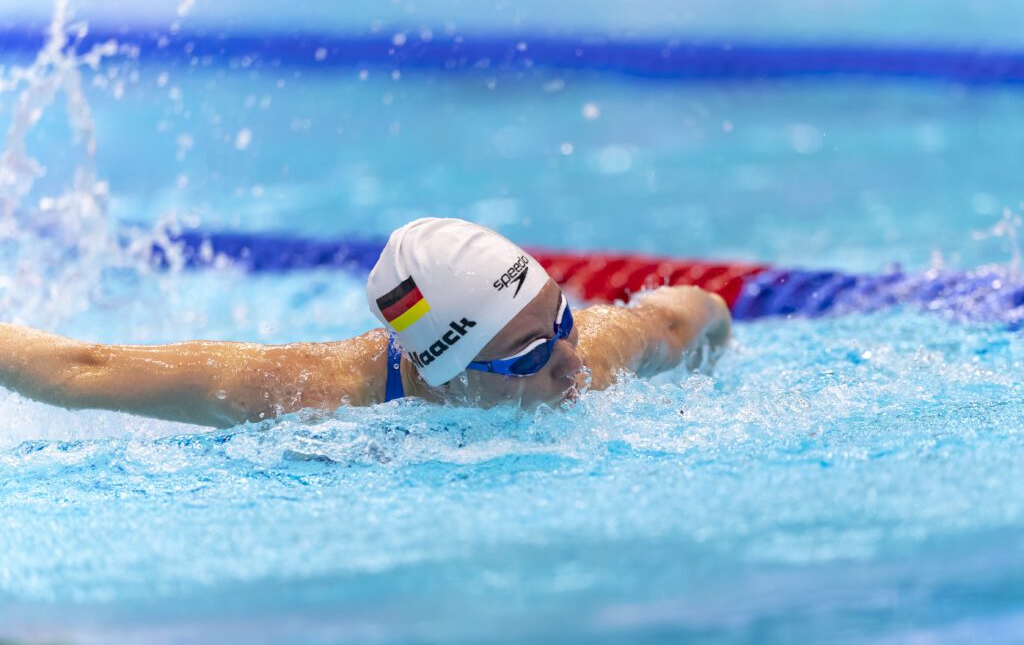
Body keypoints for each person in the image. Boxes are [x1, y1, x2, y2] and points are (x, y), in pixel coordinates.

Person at [0, 218, 732, 428]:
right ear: (449, 370)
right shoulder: (313, 393)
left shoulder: (590, 356)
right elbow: (83, 368)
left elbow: (685, 314)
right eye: (529, 352)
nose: (571, 363)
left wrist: (716, 352)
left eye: (561, 320)